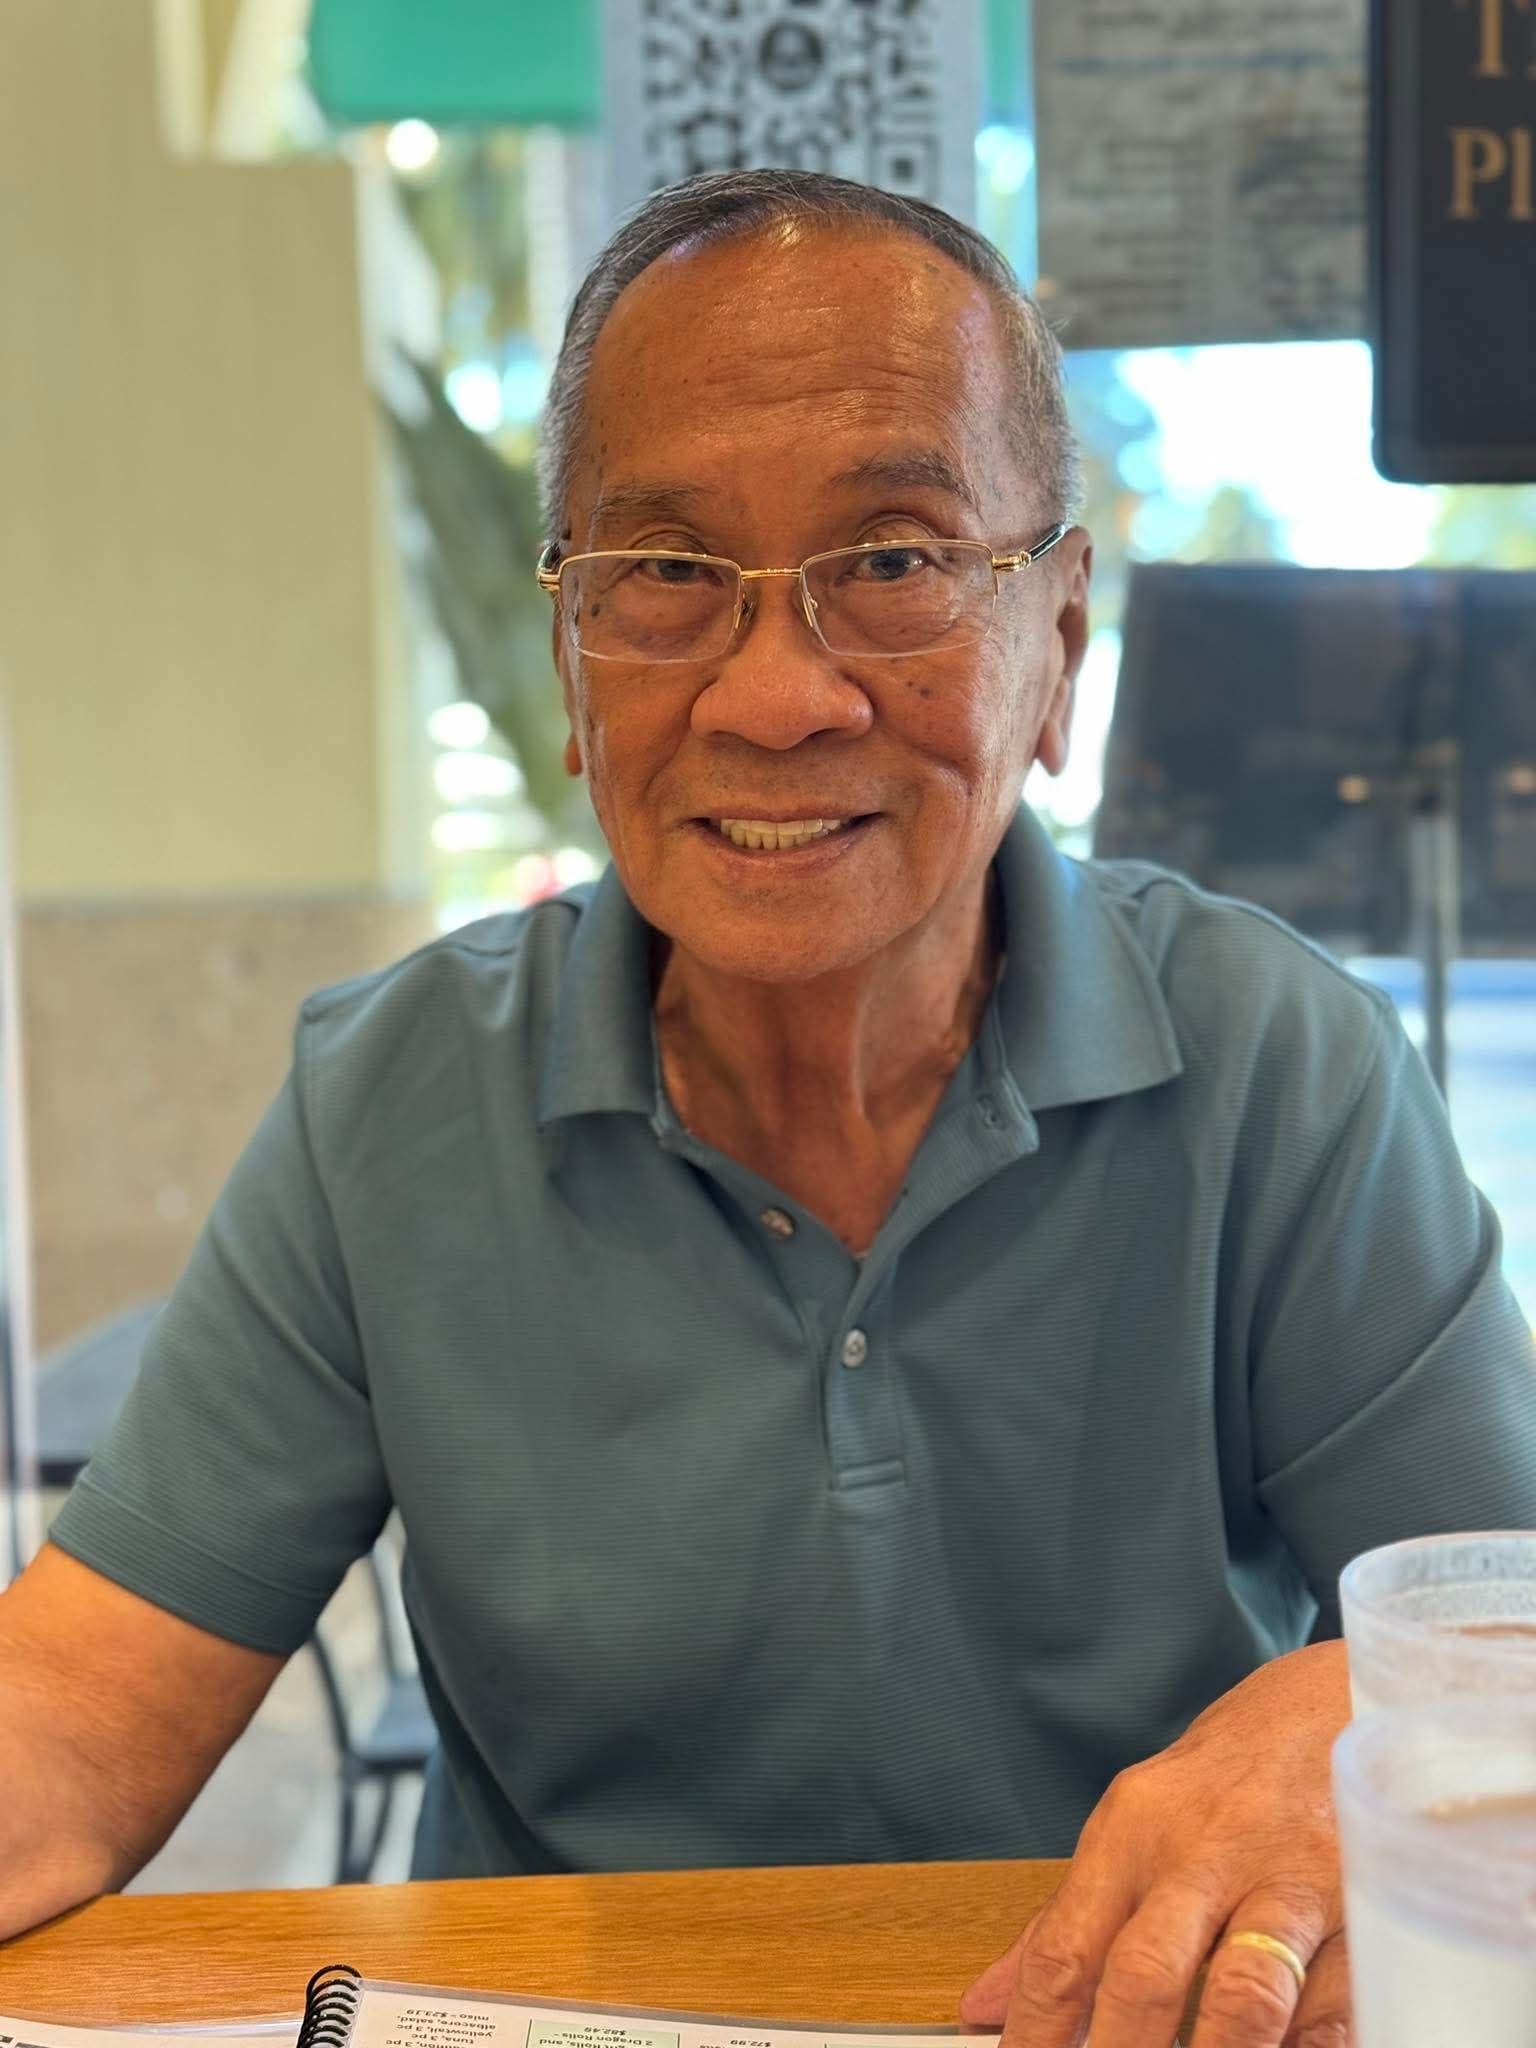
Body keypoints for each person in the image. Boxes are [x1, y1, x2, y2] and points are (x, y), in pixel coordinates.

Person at [3, 169, 1534, 2048]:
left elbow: (1516, 1627)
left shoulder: (1277, 1067)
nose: (777, 694)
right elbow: (70, 1712)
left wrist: (1366, 1704)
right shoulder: (389, 1102)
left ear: (1059, 641)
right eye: (664, 575)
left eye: (891, 560)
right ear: (572, 667)